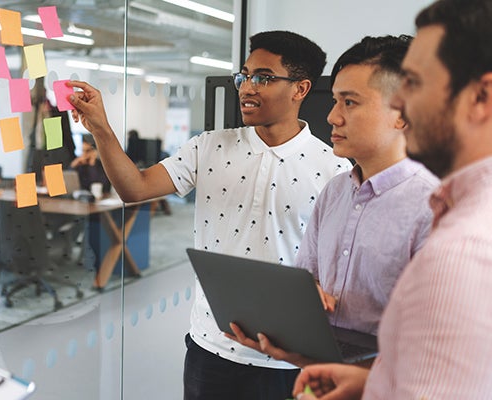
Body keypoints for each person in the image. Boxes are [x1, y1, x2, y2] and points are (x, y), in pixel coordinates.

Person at [68, 30, 350, 399]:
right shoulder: (208, 146)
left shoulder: (335, 169)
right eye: (244, 76)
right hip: (211, 348)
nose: (247, 87)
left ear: (300, 89)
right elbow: (133, 188)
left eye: (262, 78)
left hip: (288, 361)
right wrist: (101, 129)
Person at [294, 0, 492, 398]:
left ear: (480, 96)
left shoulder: (463, 248)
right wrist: (371, 384)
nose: (401, 102)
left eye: (416, 83)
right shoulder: (451, 210)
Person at [225, 36, 439, 367]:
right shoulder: (336, 191)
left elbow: (442, 347)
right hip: (319, 376)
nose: (332, 117)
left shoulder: (436, 210)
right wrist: (305, 300)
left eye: (349, 103)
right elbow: (307, 279)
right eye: (335, 101)